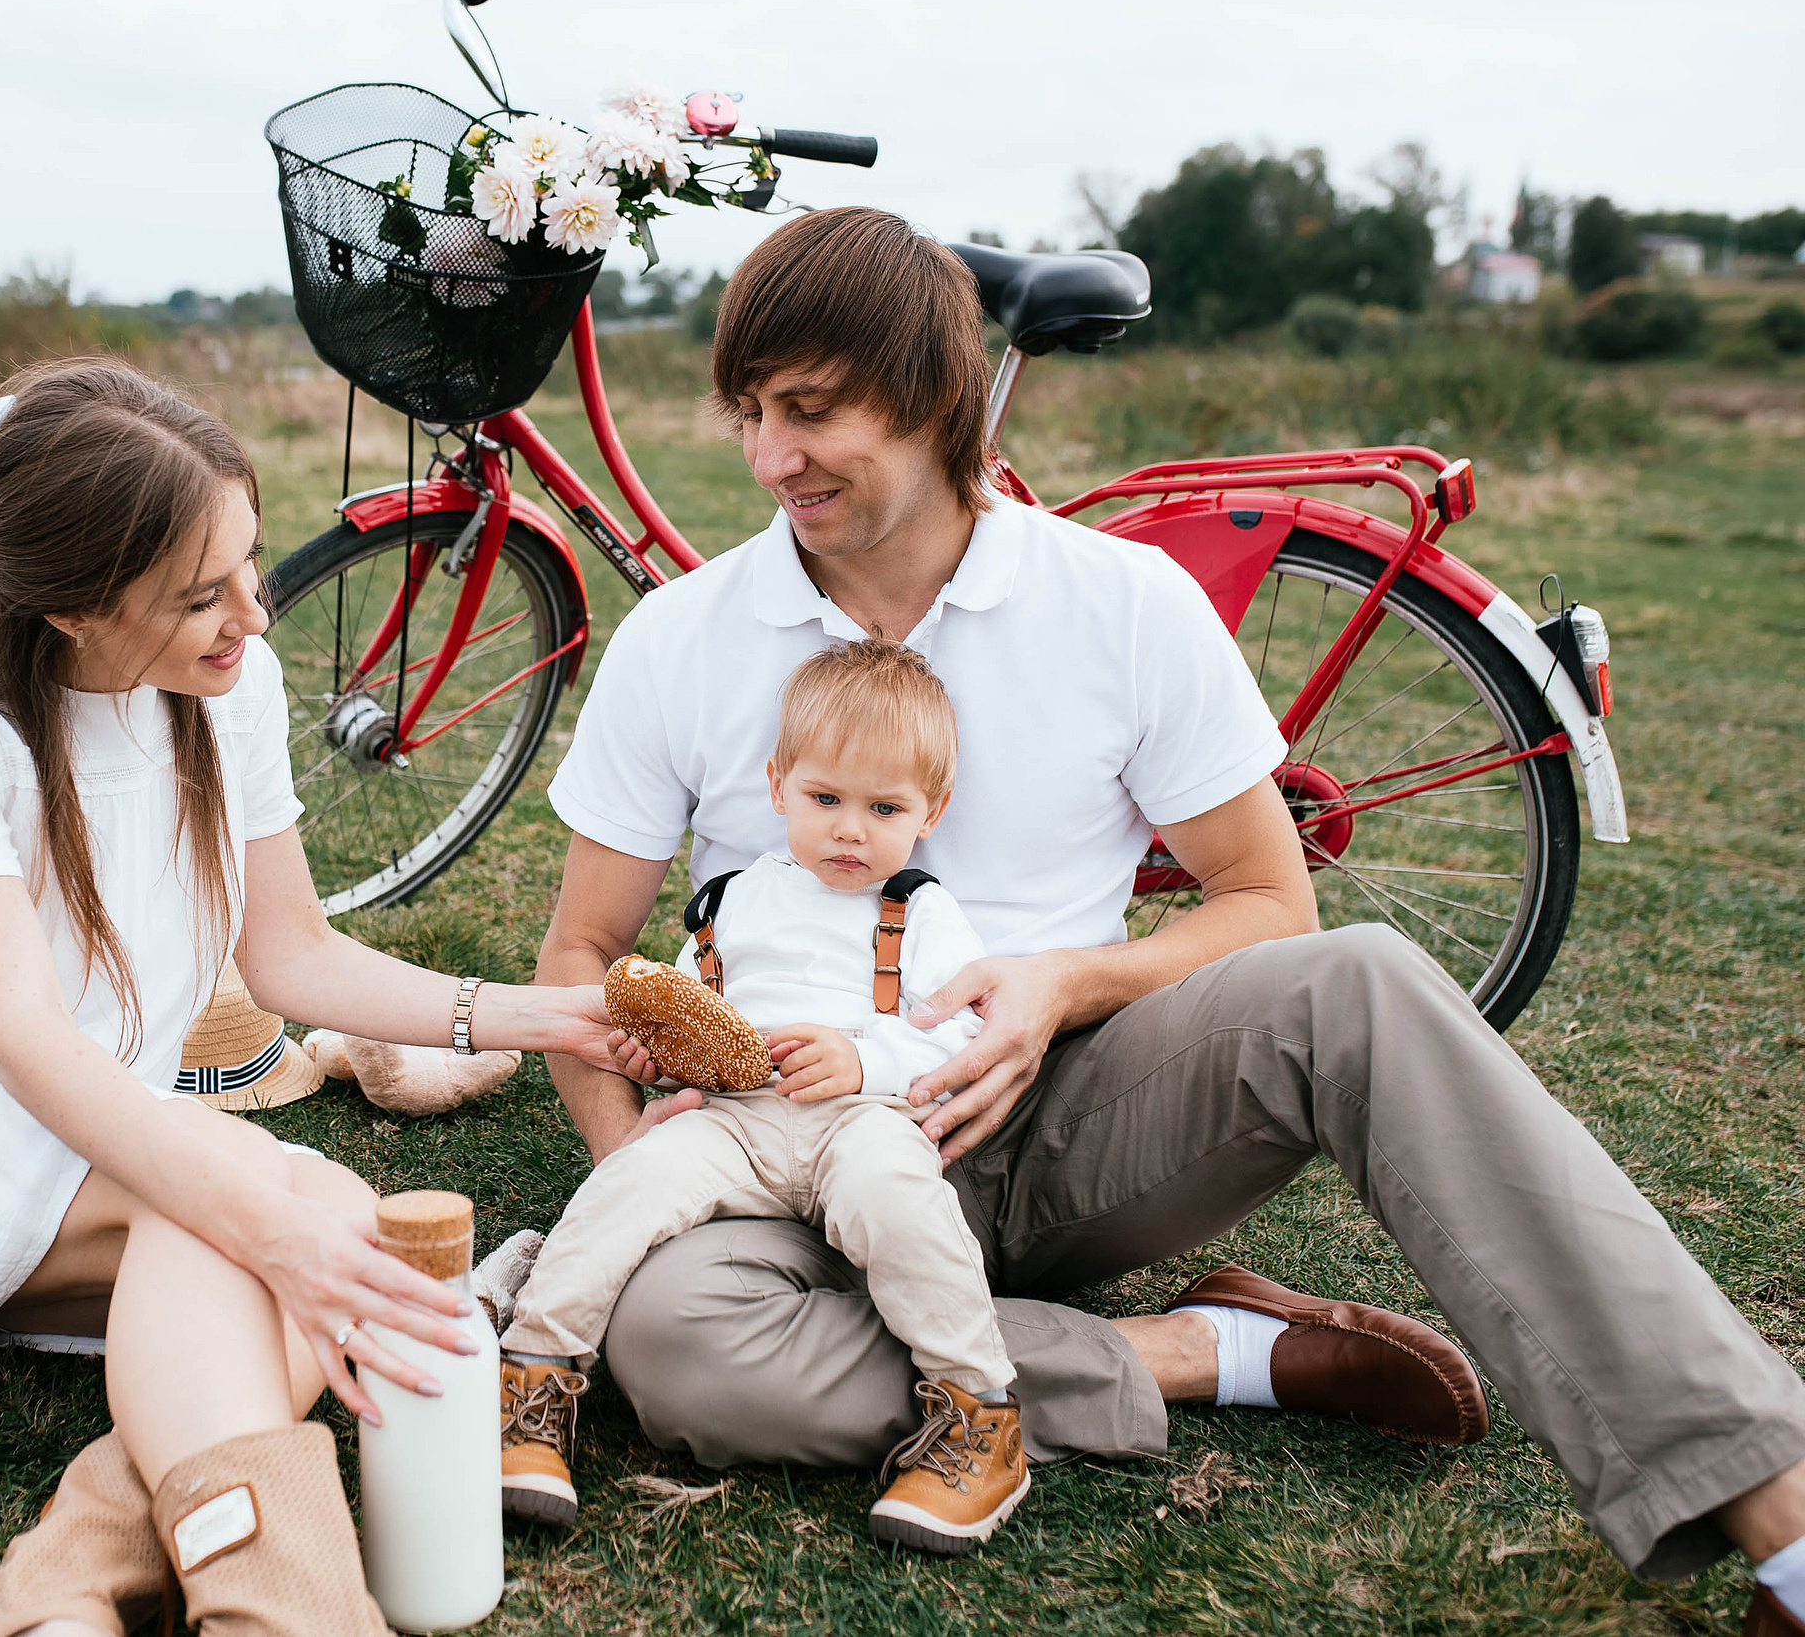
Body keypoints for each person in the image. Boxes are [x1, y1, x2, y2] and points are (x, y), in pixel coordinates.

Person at [527, 207, 1805, 1631]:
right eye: (753, 412)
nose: (771, 459)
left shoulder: (1120, 602)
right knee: (676, 1351)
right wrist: (642, 1169)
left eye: (813, 412)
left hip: (1067, 1123)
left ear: (936, 396)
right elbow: (583, 953)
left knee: (1362, 980)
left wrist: (1066, 982)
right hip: (781, 1163)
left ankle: (1781, 1510)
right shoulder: (685, 638)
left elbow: (1269, 896)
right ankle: (1205, 1350)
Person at [0, 359, 615, 1637]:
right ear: (77, 612)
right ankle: (286, 1608)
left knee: (281, 1242)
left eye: (248, 564)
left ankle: (56, 1593)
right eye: (200, 595)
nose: (252, 617)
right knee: (296, 1220)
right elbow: (25, 1043)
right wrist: (251, 1201)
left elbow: (293, 960)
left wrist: (541, 1017)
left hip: (94, 1133)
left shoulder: (227, 686)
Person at [499, 638, 1025, 1556]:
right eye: (825, 800)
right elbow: (692, 1001)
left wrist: (864, 1061)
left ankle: (978, 1412)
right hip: (736, 1119)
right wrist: (658, 1040)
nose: (851, 830)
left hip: (861, 1121)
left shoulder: (922, 911)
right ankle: (534, 1380)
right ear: (778, 786)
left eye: (884, 807)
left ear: (930, 812)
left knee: (900, 1203)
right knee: (633, 1179)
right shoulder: (732, 899)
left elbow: (956, 1031)